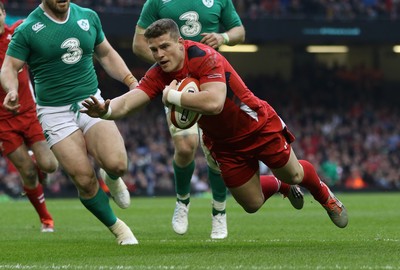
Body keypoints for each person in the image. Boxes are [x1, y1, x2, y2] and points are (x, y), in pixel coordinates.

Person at [80, 19, 348, 230]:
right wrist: (106, 109)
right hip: (223, 143)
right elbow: (129, 102)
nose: (159, 54)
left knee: (296, 175)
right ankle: (282, 187)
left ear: (180, 42)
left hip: (255, 125)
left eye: (164, 47)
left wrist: (172, 96)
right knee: (252, 204)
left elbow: (215, 103)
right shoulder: (158, 74)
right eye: (153, 50)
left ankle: (325, 196)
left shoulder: (204, 56)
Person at [131, 0, 302, 240]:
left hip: (213, 83)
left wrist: (223, 38)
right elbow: (139, 44)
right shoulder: (156, 2)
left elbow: (239, 31)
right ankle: (182, 201)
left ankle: (219, 212)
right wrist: (165, 60)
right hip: (180, 86)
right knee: (185, 146)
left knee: (215, 157)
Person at [1, 0, 138, 245]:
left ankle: (112, 177)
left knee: (117, 164)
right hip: (54, 112)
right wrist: (11, 90)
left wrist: (130, 81)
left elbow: (105, 53)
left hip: (90, 100)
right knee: (84, 179)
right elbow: (9, 67)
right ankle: (119, 229)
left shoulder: (88, 17)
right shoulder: (29, 28)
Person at [0, 2, 58, 233]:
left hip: (30, 112)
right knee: (27, 172)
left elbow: (43, 22)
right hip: (3, 122)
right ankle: (46, 219)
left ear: (3, 14)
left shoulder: (19, 33)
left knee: (50, 166)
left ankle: (39, 162)